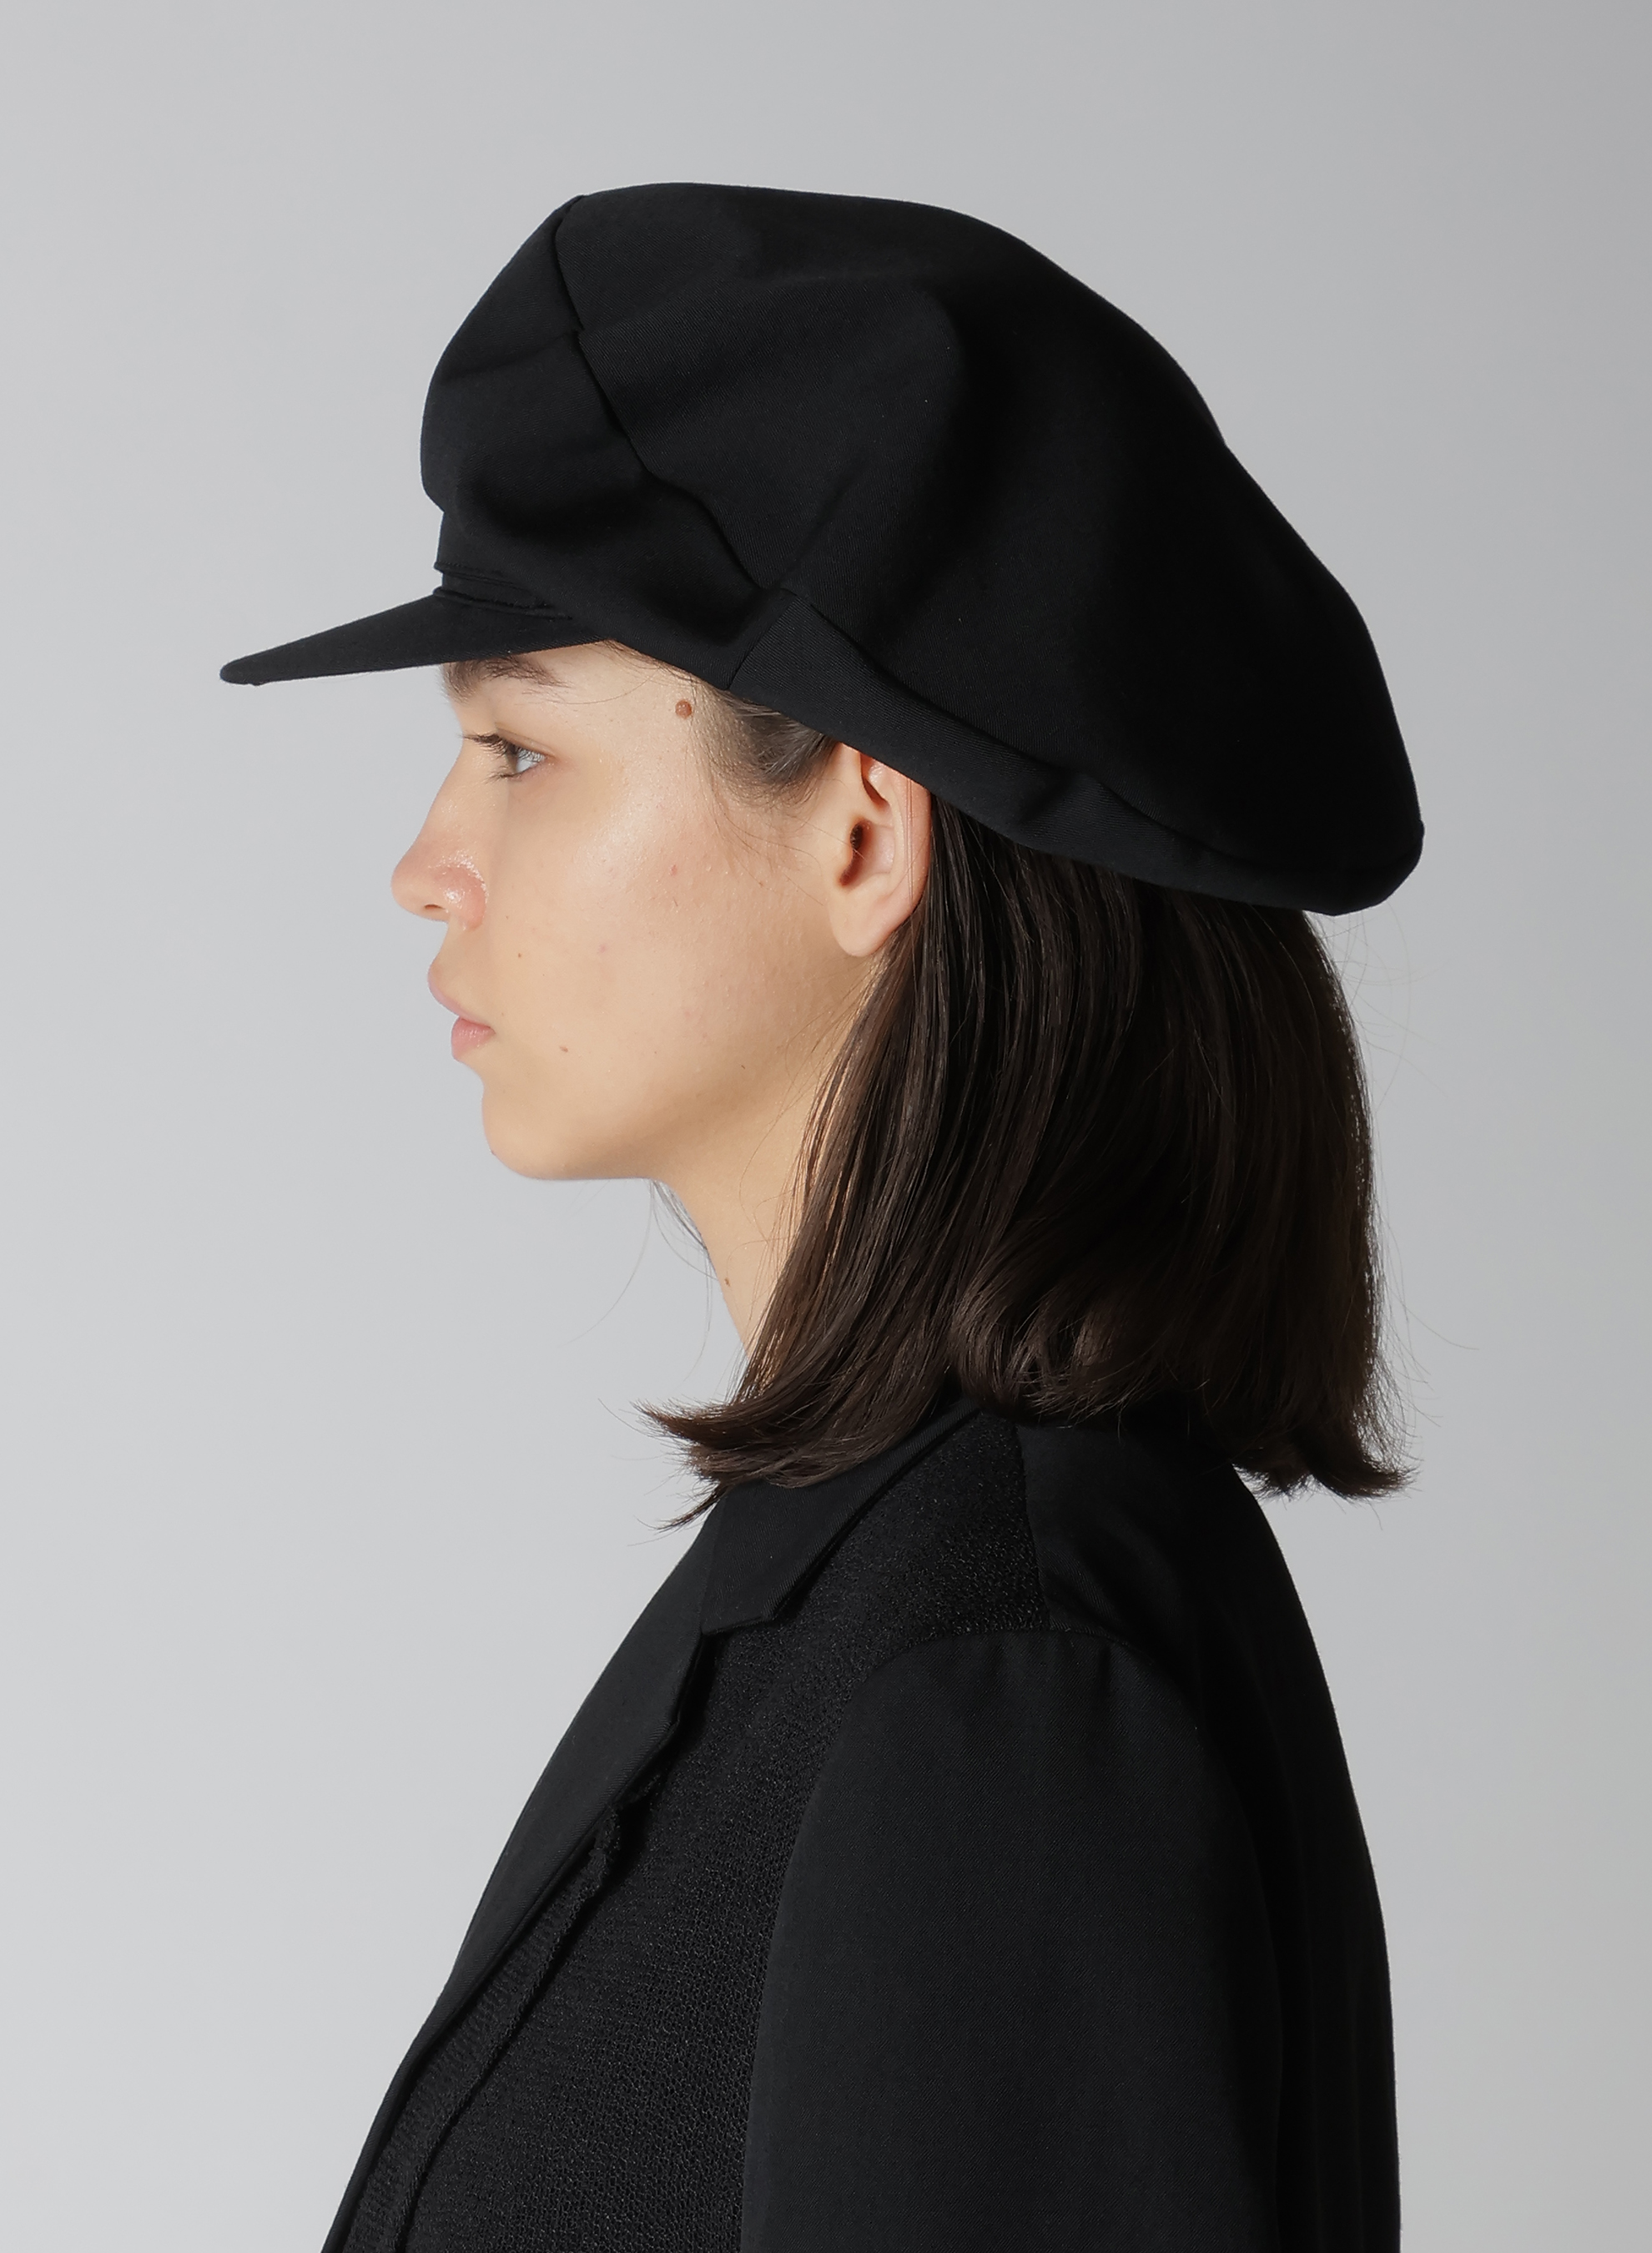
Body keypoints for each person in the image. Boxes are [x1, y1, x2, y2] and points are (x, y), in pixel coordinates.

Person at [223, 184, 1422, 2253]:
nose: (428, 863)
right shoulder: (865, 1589)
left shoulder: (1001, 1681)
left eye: (517, 748)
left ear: (865, 833)